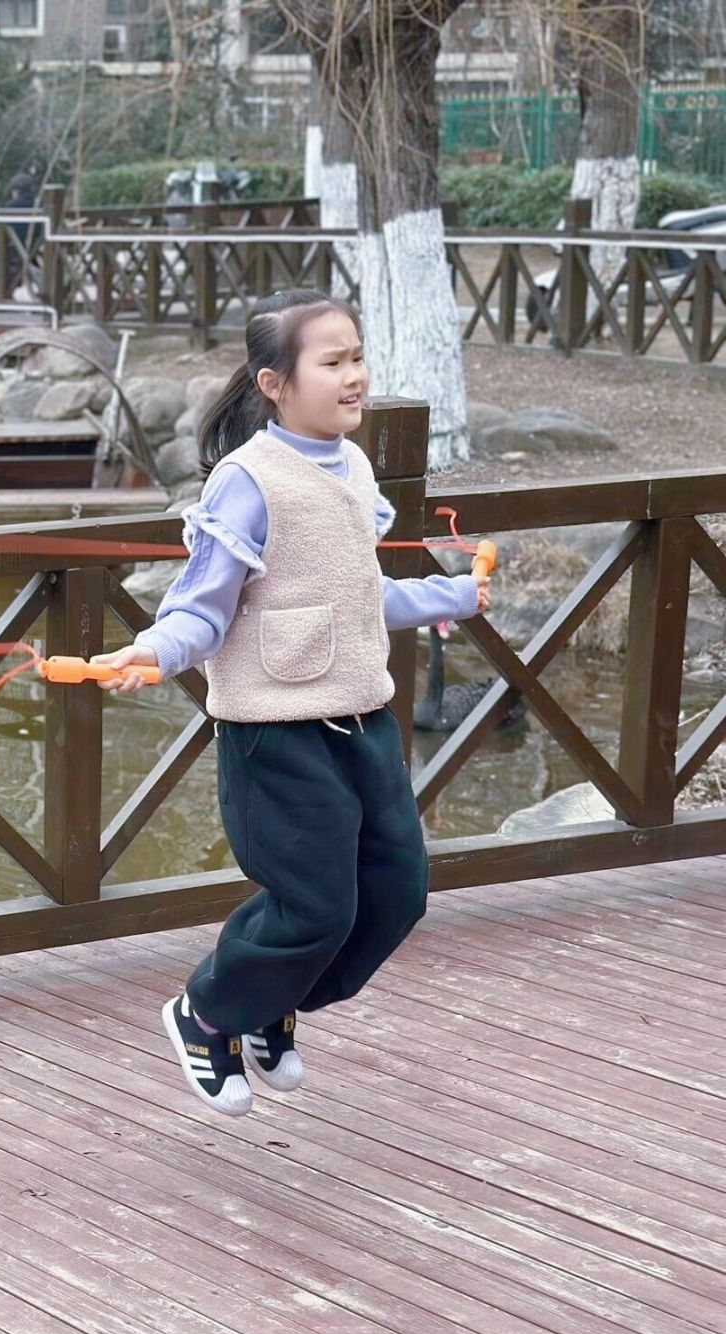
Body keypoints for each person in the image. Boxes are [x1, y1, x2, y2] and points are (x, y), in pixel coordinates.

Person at [91, 290, 490, 1119]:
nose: (355, 376)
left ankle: (270, 1003)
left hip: (363, 721)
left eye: (358, 357)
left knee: (398, 891)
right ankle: (207, 1012)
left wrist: (447, 595)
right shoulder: (247, 482)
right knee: (315, 907)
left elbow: (359, 595)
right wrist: (154, 651)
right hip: (276, 735)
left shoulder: (353, 466)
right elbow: (201, 607)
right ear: (274, 383)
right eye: (333, 362)